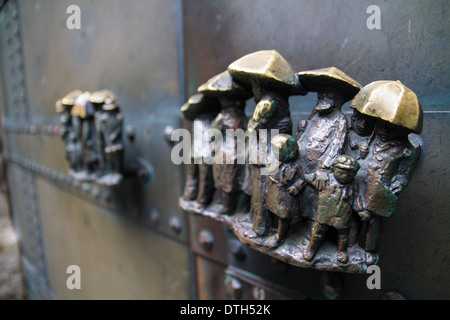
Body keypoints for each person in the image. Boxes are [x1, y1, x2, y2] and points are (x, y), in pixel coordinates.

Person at [198, 70, 251, 215]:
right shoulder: (222, 117)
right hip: (225, 154)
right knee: (225, 181)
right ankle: (226, 206)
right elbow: (213, 135)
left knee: (236, 182)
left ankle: (235, 207)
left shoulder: (242, 117)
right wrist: (214, 149)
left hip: (239, 153)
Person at [303, 155, 360, 263]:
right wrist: (319, 172)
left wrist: (361, 209)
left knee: (343, 235)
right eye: (341, 173)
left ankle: (342, 251)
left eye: (349, 174)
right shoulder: (325, 180)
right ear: (333, 169)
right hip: (324, 215)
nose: (345, 177)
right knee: (317, 232)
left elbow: (358, 198)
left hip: (343, 215)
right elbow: (306, 178)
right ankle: (311, 249)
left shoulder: (354, 184)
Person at [266, 134, 305, 249]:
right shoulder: (273, 162)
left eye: (277, 151)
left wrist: (297, 187)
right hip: (274, 193)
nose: (274, 153)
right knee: (274, 211)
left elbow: (302, 179)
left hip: (287, 196)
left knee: (284, 217)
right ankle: (273, 228)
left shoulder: (296, 166)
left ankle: (280, 236)